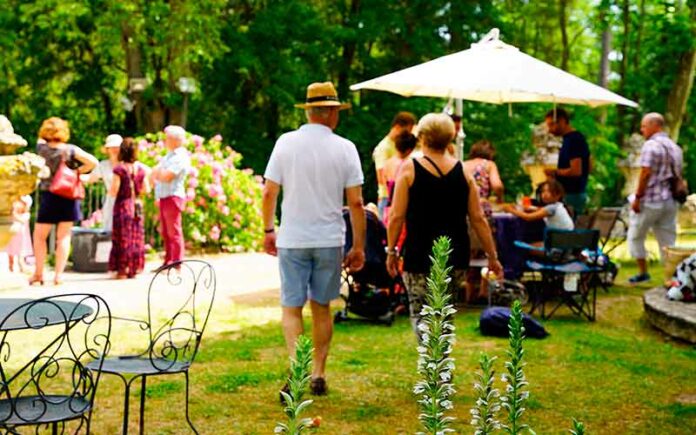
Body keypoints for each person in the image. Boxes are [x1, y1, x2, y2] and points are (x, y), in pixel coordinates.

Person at [262, 82, 366, 398]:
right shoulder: (346, 148)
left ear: (308, 110)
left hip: (293, 238)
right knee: (321, 307)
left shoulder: (285, 143)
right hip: (329, 239)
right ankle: (318, 372)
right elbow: (357, 203)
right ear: (333, 113)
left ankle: (297, 369)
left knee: (291, 307)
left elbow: (269, 191)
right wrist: (359, 246)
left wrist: (268, 229)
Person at [386, 113, 503, 334]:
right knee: (444, 313)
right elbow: (478, 218)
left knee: (421, 313)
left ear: (421, 137)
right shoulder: (464, 172)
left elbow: (396, 216)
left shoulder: (410, 170)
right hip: (455, 253)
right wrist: (492, 256)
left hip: (418, 253)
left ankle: (431, 365)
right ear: (450, 138)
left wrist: (391, 250)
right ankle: (442, 364)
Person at [30, 117, 98, 286]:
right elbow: (93, 162)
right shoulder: (71, 150)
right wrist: (78, 173)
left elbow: (40, 140)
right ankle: (58, 275)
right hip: (69, 195)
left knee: (39, 237)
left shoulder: (41, 148)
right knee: (64, 237)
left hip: (49, 196)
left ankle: (39, 274)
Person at [627, 112, 683, 284]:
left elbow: (645, 173)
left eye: (644, 126)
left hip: (651, 200)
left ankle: (643, 272)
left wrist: (637, 198)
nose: (642, 130)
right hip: (670, 200)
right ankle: (672, 276)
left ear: (654, 125)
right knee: (667, 240)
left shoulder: (650, 146)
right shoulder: (675, 147)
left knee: (636, 235)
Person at [108, 138, 149, 279]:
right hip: (136, 205)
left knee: (122, 238)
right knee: (135, 238)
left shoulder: (119, 169)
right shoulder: (141, 169)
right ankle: (134, 268)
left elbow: (114, 190)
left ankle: (122, 270)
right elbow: (146, 189)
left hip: (123, 206)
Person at [151, 125, 190, 269]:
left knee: (174, 231)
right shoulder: (169, 155)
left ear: (176, 140)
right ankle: (168, 261)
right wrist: (158, 173)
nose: (165, 140)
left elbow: (166, 176)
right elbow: (156, 173)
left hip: (173, 196)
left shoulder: (180, 156)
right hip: (164, 196)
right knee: (166, 232)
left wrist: (158, 173)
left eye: (167, 137)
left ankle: (176, 262)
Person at [544, 108, 591, 217]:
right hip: (574, 193)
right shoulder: (571, 139)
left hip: (572, 194)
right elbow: (589, 166)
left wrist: (554, 172)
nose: (549, 130)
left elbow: (576, 171)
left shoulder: (574, 140)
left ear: (562, 121)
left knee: (568, 232)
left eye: (551, 125)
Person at [373, 112, 417, 220]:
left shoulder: (398, 143)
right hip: (387, 199)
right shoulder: (383, 148)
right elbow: (381, 177)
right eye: (407, 130)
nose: (409, 134)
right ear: (397, 127)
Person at [503, 179, 574, 244]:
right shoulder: (559, 206)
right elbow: (542, 210)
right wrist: (531, 208)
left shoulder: (551, 208)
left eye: (549, 191)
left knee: (525, 244)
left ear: (558, 195)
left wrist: (511, 210)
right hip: (566, 244)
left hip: (557, 247)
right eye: (543, 191)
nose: (544, 194)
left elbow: (528, 217)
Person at [85, 134, 122, 232]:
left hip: (126, 200)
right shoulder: (103, 165)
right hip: (110, 200)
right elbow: (91, 178)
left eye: (117, 147)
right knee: (109, 229)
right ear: (107, 149)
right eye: (111, 147)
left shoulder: (127, 164)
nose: (114, 150)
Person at [382, 131, 417, 225]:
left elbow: (384, 182)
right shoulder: (410, 165)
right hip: (405, 210)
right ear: (410, 150)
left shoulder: (388, 164)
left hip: (389, 209)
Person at [463, 139, 504, 216]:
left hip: (462, 208)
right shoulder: (489, 164)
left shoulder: (463, 165)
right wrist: (500, 199)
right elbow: (497, 186)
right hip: (480, 208)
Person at [6, 195, 33, 273]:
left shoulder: (26, 215)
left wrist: (15, 215)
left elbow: (22, 219)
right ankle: (11, 263)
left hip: (21, 233)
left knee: (21, 249)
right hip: (12, 230)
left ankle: (21, 263)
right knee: (10, 248)